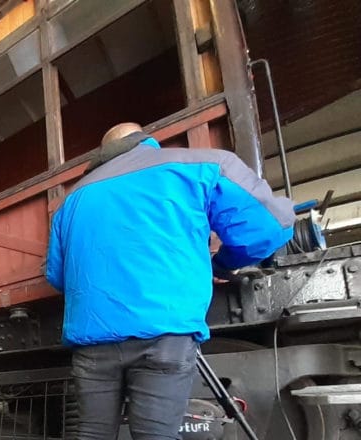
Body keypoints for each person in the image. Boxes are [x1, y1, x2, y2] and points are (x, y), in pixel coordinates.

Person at [45, 123, 294, 439]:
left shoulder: (70, 202)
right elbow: (268, 226)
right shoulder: (199, 165)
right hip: (163, 333)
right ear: (144, 139)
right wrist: (222, 263)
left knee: (92, 435)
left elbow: (56, 274)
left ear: (103, 152)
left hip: (92, 342)